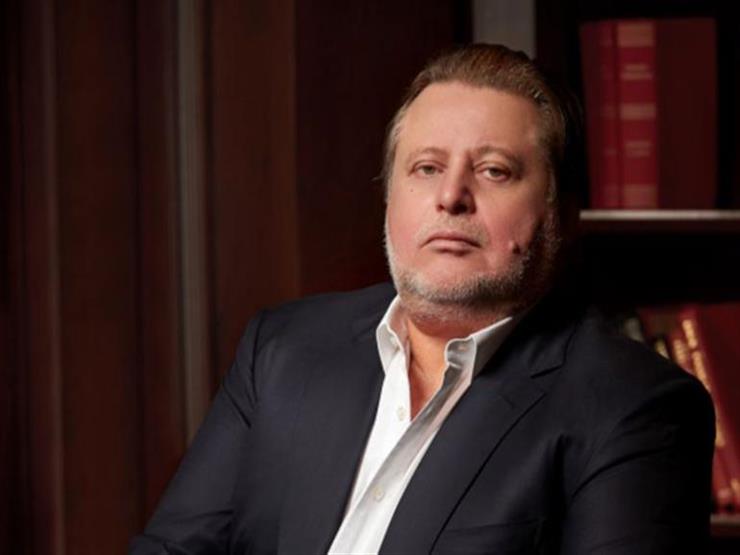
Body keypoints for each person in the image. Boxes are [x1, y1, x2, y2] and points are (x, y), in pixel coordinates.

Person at [130, 44, 714, 555]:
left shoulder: (634, 407)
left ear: (561, 212)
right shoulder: (282, 350)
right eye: (427, 167)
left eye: (494, 171)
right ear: (389, 198)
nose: (451, 195)